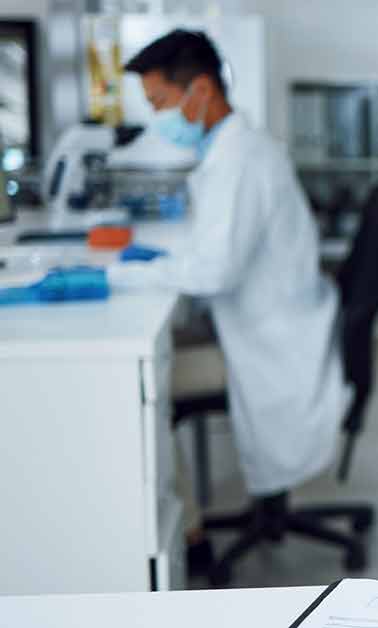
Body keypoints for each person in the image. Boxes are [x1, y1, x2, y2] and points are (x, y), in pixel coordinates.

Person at [111, 31, 349, 534]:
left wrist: (122, 273)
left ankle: (188, 533)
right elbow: (212, 249)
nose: (158, 118)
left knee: (140, 385)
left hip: (273, 338)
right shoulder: (233, 149)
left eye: (160, 103)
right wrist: (160, 258)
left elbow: (214, 271)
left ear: (200, 90)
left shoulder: (241, 159)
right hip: (269, 319)